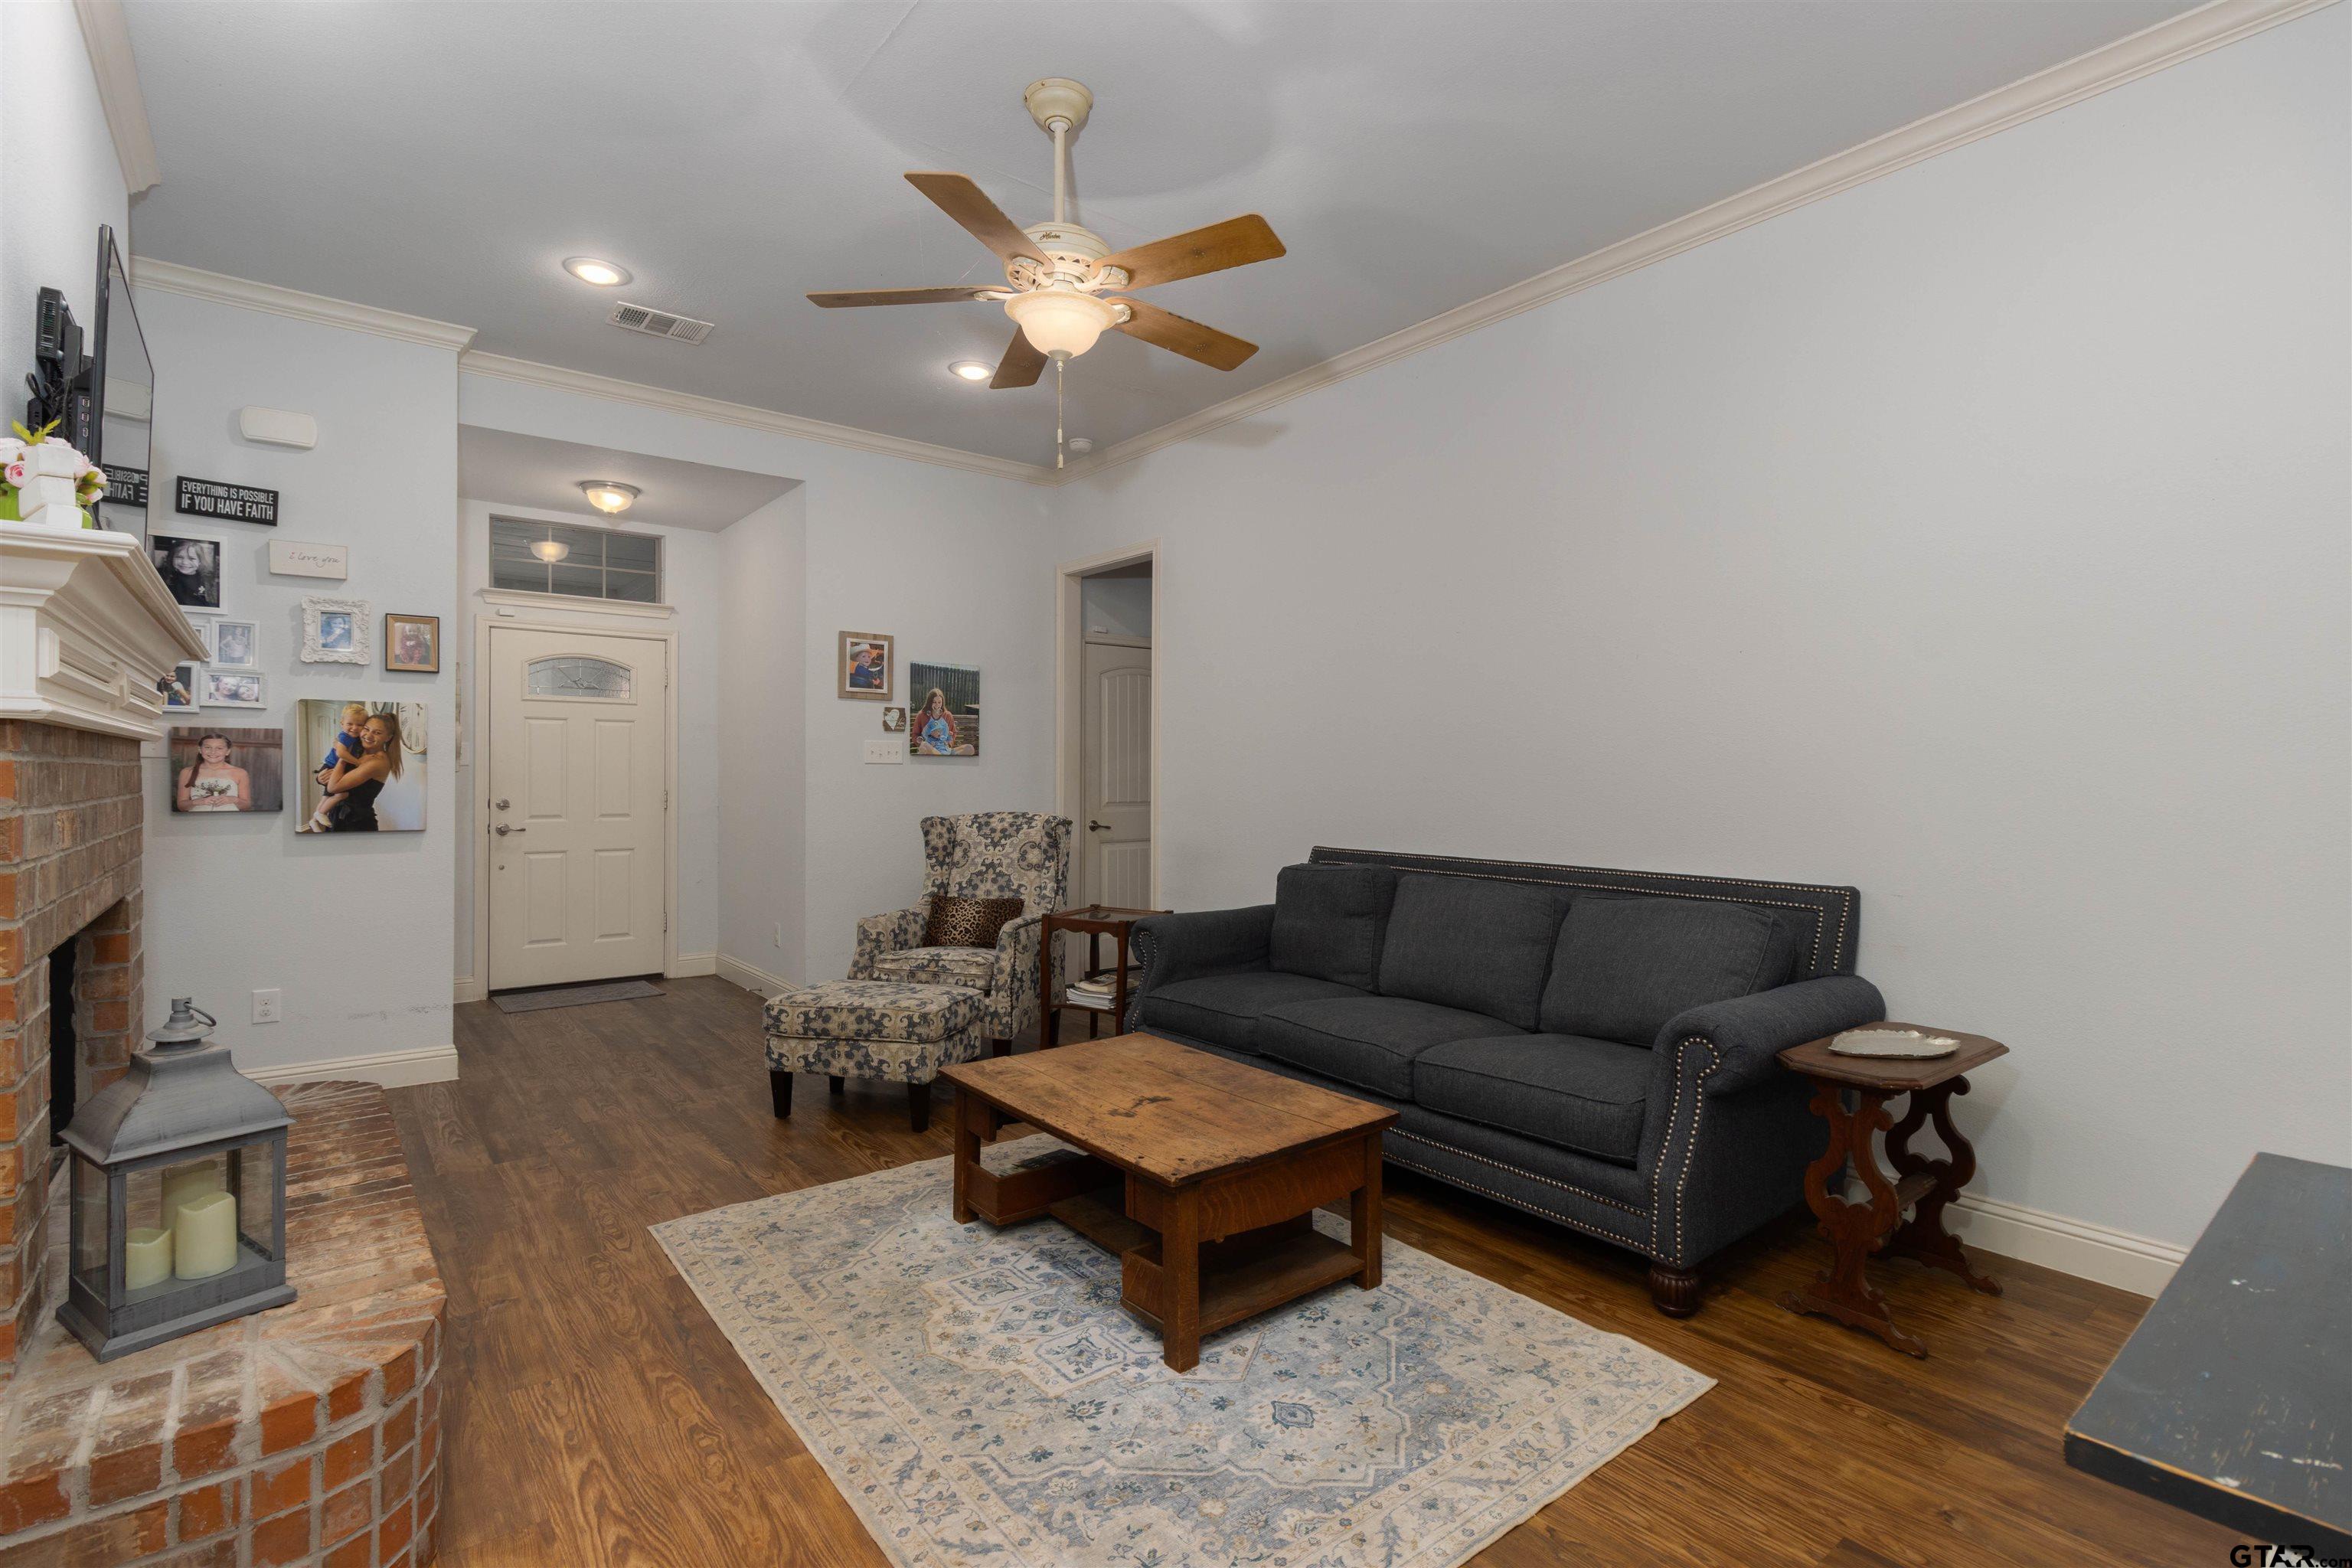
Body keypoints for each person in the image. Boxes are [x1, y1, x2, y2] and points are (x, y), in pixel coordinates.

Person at [318, 710, 403, 832]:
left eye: (377, 733)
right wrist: (320, 778)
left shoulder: (378, 761)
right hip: (336, 816)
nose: (368, 735)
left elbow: (333, 787)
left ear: (388, 737)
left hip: (356, 824)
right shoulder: (358, 748)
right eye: (366, 729)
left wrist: (342, 755)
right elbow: (334, 772)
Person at [297, 704, 373, 833]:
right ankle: (320, 814)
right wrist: (358, 763)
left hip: (335, 771)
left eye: (360, 725)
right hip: (330, 767)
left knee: (327, 796)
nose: (355, 728)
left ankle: (316, 818)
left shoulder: (357, 740)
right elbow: (341, 754)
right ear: (342, 723)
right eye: (350, 724)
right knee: (339, 794)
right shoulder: (345, 737)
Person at [175, 734, 251, 812]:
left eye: (219, 748)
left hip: (229, 820)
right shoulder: (187, 772)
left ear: (228, 751)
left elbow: (246, 806)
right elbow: (182, 806)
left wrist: (233, 799)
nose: (213, 752)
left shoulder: (240, 773)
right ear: (200, 750)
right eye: (208, 747)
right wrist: (197, 802)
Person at [155, 540, 216, 607]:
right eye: (179, 557)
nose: (185, 563)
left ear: (200, 562)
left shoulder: (206, 581)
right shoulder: (164, 576)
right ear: (172, 558)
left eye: (192, 559)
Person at [913, 688, 959, 755]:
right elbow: (915, 735)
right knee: (925, 745)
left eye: (939, 702)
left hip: (944, 749)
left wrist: (949, 743)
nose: (937, 705)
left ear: (942, 703)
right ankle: (944, 760)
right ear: (929, 702)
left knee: (969, 748)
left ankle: (943, 759)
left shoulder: (948, 715)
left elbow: (954, 733)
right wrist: (922, 745)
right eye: (934, 702)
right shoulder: (922, 715)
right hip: (929, 750)